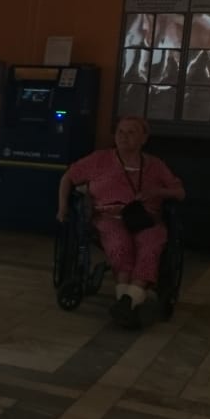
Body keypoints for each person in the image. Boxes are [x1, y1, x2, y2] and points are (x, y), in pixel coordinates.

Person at [57, 115, 184, 327]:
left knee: (151, 244)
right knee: (119, 244)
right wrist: (62, 207)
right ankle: (129, 301)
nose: (124, 137)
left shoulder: (155, 165)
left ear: (144, 138)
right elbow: (68, 177)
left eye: (131, 132)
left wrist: (157, 191)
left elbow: (179, 192)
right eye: (120, 132)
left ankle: (126, 301)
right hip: (109, 217)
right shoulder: (100, 159)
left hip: (146, 218)